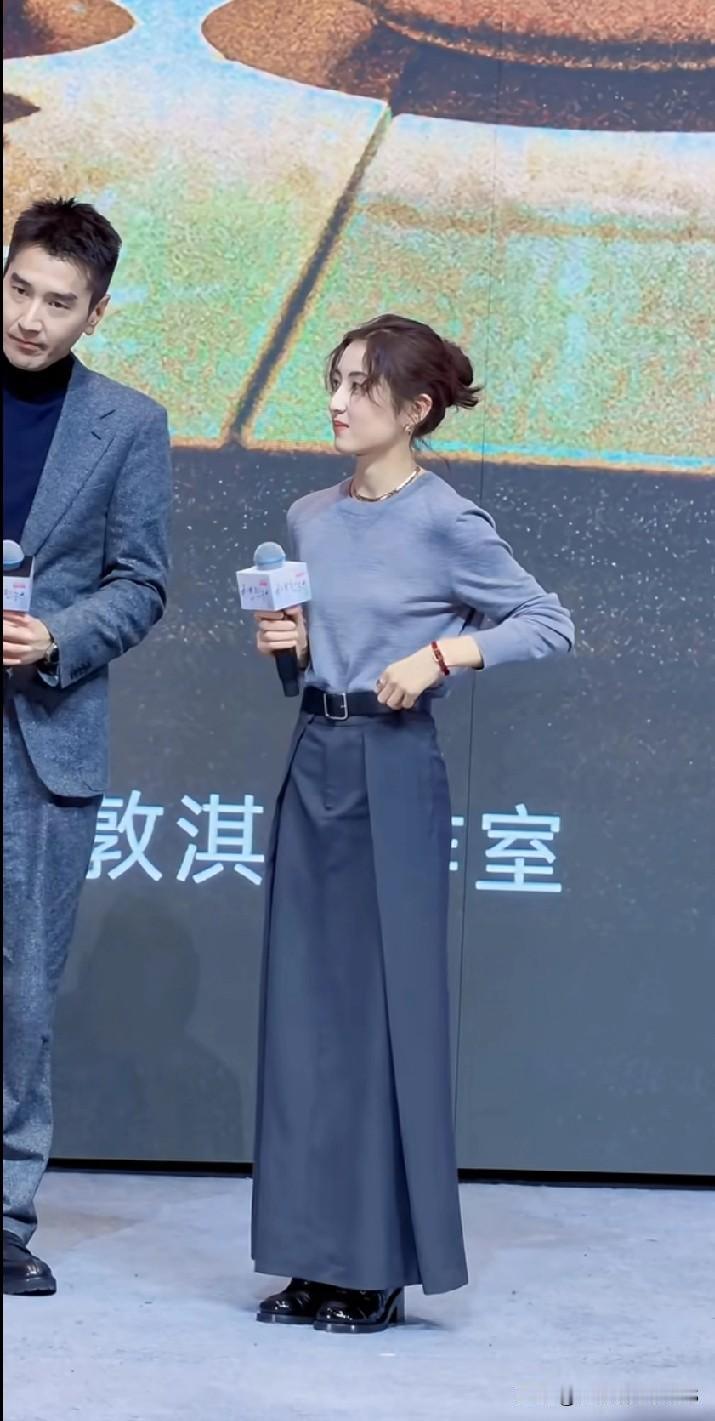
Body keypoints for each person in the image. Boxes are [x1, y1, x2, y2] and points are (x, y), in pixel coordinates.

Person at [250, 313, 575, 1335]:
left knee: (379, 1018)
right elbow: (314, 657)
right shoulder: (308, 515)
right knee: (304, 1018)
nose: (338, 401)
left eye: (362, 386)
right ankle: (312, 1257)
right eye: (335, 380)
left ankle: (376, 1263)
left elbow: (546, 621)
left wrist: (443, 655)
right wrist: (287, 646)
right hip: (314, 757)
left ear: (417, 407)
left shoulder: (447, 520)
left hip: (393, 769)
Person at [2, 198, 172, 1296]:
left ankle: (3, 1215)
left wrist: (56, 634)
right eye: (18, 288)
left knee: (22, 991)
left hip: (42, 734)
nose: (30, 317)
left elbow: (142, 584)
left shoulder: (128, 424)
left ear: (95, 313)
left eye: (58, 302)